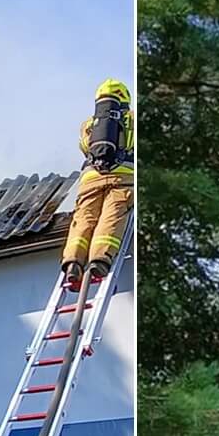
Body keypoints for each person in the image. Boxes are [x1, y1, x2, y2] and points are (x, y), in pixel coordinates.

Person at [61, 79, 134, 291]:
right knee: (112, 216)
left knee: (85, 217)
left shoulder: (88, 124)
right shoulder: (132, 118)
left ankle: (73, 262)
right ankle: (99, 261)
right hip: (122, 177)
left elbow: (84, 147)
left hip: (90, 178)